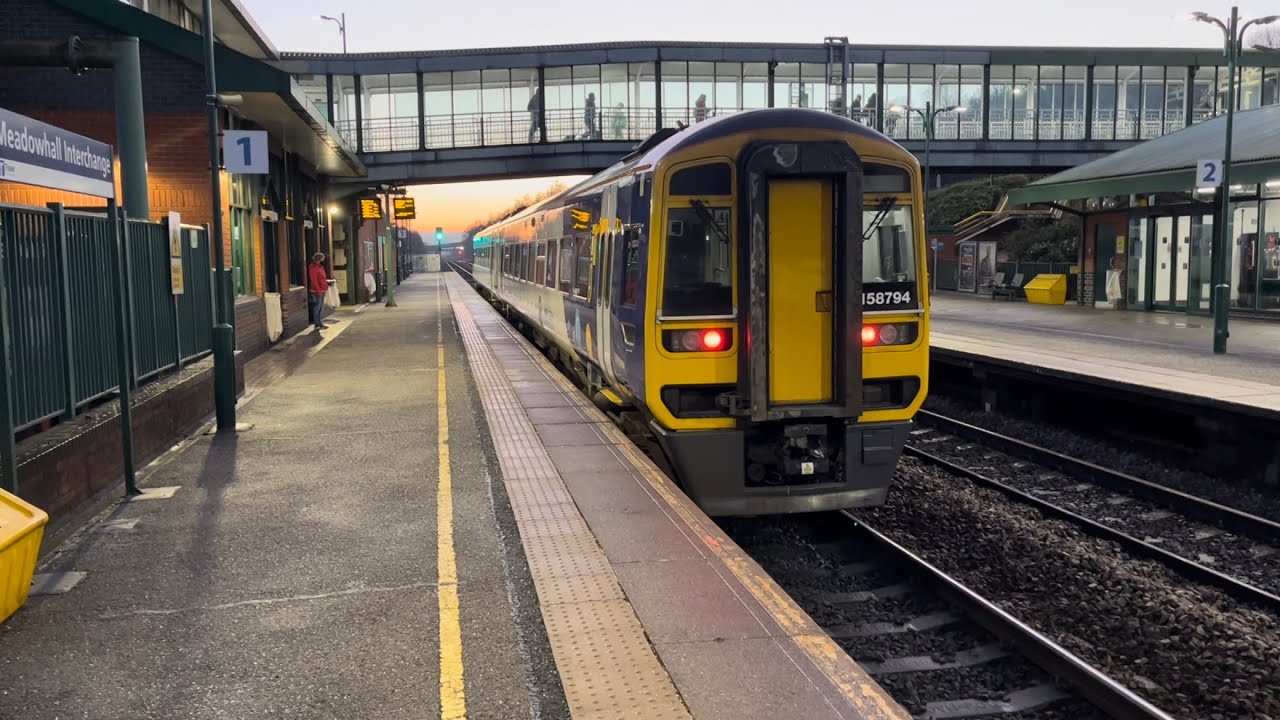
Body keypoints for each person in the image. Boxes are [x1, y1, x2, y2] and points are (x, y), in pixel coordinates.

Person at [309, 252, 329, 331]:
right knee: (317, 307)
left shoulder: (320, 267)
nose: (322, 261)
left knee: (320, 307)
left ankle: (319, 323)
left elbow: (322, 278)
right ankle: (317, 324)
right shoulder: (313, 268)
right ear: (318, 259)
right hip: (317, 291)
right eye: (321, 259)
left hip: (322, 290)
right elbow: (314, 281)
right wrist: (319, 291)